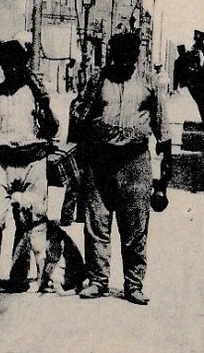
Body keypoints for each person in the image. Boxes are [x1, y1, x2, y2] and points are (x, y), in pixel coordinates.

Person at [71, 30, 171, 306]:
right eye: (117, 59)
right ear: (111, 57)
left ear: (136, 58)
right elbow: (79, 114)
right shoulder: (97, 80)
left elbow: (163, 130)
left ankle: (134, 285)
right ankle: (98, 281)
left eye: (128, 60)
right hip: (99, 161)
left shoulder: (150, 83)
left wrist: (163, 180)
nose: (122, 65)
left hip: (135, 162)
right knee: (97, 223)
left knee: (135, 227)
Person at [0, 38, 59, 293]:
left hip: (32, 163)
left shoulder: (35, 95)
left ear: (23, 66)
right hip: (1, 163)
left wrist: (46, 102)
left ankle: (19, 275)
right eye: (6, 66)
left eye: (16, 65)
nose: (11, 70)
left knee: (29, 221)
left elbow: (52, 129)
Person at [187, 30, 204, 127]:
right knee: (201, 102)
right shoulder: (195, 50)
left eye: (197, 39)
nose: (196, 41)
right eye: (196, 39)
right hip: (197, 81)